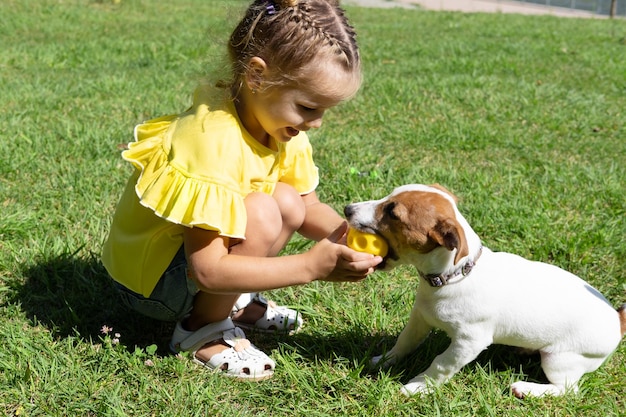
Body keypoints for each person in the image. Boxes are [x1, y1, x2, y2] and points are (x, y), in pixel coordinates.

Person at [102, 0, 382, 381]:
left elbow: (306, 205)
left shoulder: (280, 124)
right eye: (307, 107)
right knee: (264, 211)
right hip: (151, 285)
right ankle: (201, 330)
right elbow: (208, 271)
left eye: (324, 111)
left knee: (285, 200)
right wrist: (309, 267)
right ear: (257, 76)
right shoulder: (211, 141)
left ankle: (234, 302)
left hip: (194, 267)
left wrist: (350, 238)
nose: (316, 123)